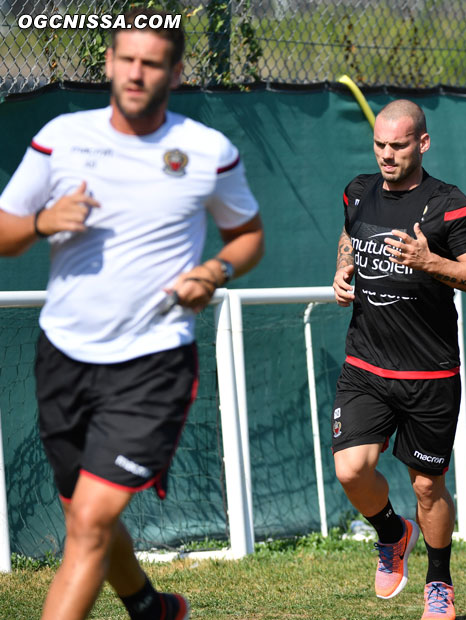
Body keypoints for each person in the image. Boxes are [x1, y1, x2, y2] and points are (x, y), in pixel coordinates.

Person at [0, 8, 265, 620]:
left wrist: (214, 270)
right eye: (126, 59)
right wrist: (44, 221)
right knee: (81, 514)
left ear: (174, 71)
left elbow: (247, 235)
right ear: (111, 63)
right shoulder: (61, 136)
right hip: (62, 356)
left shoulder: (206, 151)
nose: (136, 73)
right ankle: (150, 607)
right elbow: (5, 231)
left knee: (90, 521)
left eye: (152, 63)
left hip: (153, 363)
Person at [331, 99, 466, 620]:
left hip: (430, 373)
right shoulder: (357, 191)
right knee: (352, 470)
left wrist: (429, 260)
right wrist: (342, 271)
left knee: (427, 485)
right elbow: (350, 234)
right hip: (367, 366)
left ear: (422, 144)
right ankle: (391, 533)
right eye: (380, 144)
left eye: (398, 145)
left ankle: (439, 582)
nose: (386, 154)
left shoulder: (448, 204)